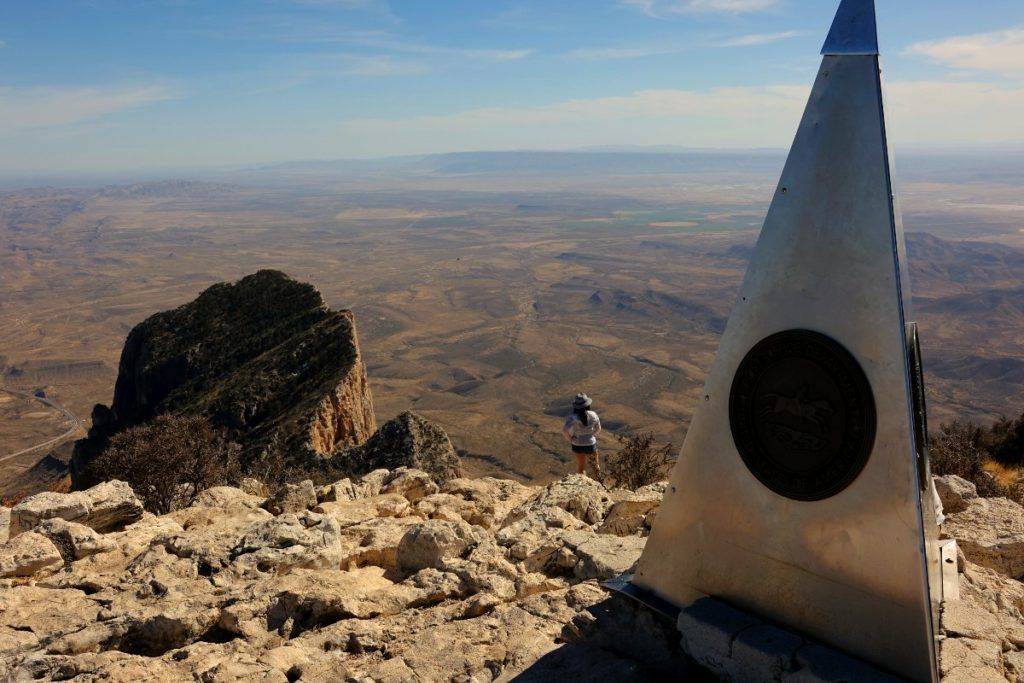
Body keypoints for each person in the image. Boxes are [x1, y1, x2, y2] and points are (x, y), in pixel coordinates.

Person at [563, 393, 602, 478]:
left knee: (581, 468)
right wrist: (592, 435)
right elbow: (598, 429)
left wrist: (571, 439)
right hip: (590, 444)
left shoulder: (572, 417)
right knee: (596, 466)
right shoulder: (593, 415)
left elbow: (565, 430)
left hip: (577, 444)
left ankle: (583, 485)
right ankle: (599, 485)